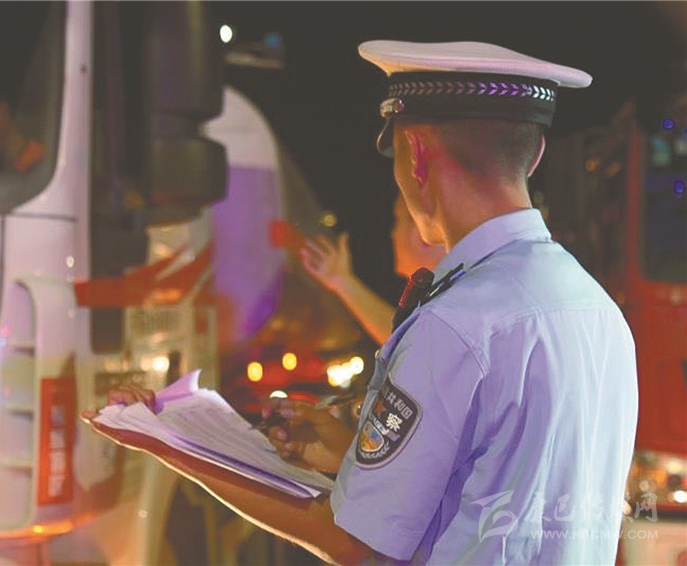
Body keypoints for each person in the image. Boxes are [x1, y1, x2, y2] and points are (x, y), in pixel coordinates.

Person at [88, 40, 638, 565]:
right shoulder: (597, 312)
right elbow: (504, 485)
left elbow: (354, 542)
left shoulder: (456, 324)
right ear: (534, 155)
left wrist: (172, 444)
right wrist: (353, 451)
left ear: (415, 154)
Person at [301, 194, 445, 345]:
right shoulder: (445, 298)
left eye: (398, 220)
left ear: (423, 233)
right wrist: (341, 280)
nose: (393, 233)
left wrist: (343, 281)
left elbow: (409, 340)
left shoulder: (450, 304)